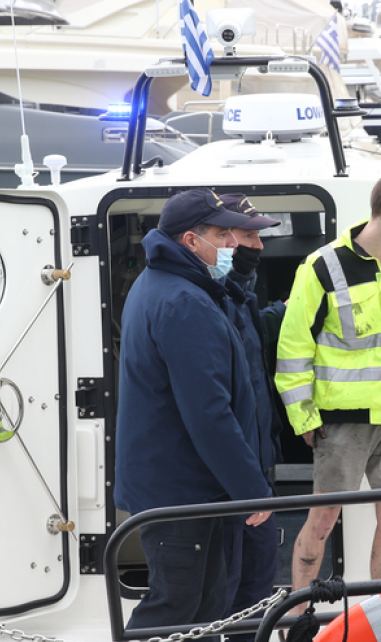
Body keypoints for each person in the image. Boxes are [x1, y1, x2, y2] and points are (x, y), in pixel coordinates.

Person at [114, 189, 272, 630]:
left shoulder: (162, 286)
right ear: (190, 241)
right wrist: (250, 487)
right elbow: (208, 411)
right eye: (223, 235)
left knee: (204, 608)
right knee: (176, 607)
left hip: (180, 485)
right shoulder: (185, 302)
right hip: (183, 491)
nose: (232, 244)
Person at [275, 171, 381, 609]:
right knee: (322, 521)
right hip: (341, 426)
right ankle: (299, 616)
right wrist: (304, 418)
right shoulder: (322, 266)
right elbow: (293, 347)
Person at [217, 193, 283, 636]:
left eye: (258, 236)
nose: (257, 246)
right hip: (232, 480)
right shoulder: (206, 302)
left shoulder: (236, 296)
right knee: (226, 587)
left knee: (258, 581)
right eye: (247, 235)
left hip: (256, 467)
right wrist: (247, 484)